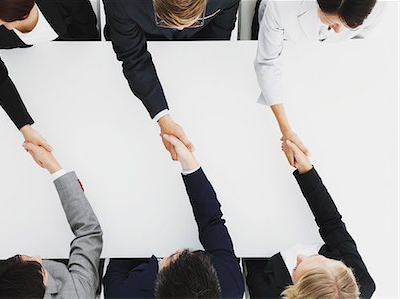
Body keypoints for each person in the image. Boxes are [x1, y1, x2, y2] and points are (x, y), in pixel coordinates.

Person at [0, 143, 103, 298]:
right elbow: (89, 231)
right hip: (65, 260)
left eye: (21, 258)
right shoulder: (76, 295)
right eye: (39, 266)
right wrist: (53, 166)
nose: (37, 255)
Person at [103, 134, 245, 298]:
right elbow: (212, 222)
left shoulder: (124, 294)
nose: (180, 249)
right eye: (188, 253)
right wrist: (190, 164)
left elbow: (117, 260)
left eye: (171, 260)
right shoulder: (229, 282)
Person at [0, 0, 99, 151]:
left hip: (73, 59)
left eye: (16, 19)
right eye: (0, 23)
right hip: (28, 69)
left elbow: (87, 29)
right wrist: (25, 127)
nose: (9, 27)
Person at [103, 0, 240, 160]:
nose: (181, 28)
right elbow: (133, 58)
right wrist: (163, 119)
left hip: (196, 49)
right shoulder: (122, 3)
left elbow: (217, 40)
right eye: (169, 22)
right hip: (142, 37)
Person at [252, 0, 384, 167]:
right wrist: (286, 129)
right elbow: (267, 63)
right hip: (284, 39)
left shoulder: (376, 6)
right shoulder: (283, 4)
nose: (339, 30)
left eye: (348, 25)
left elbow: (356, 46)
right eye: (333, 22)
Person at [244, 140, 375, 299]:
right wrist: (307, 170)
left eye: (297, 268)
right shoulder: (361, 283)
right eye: (319, 258)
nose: (300, 256)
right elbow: (333, 224)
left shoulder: (265, 293)